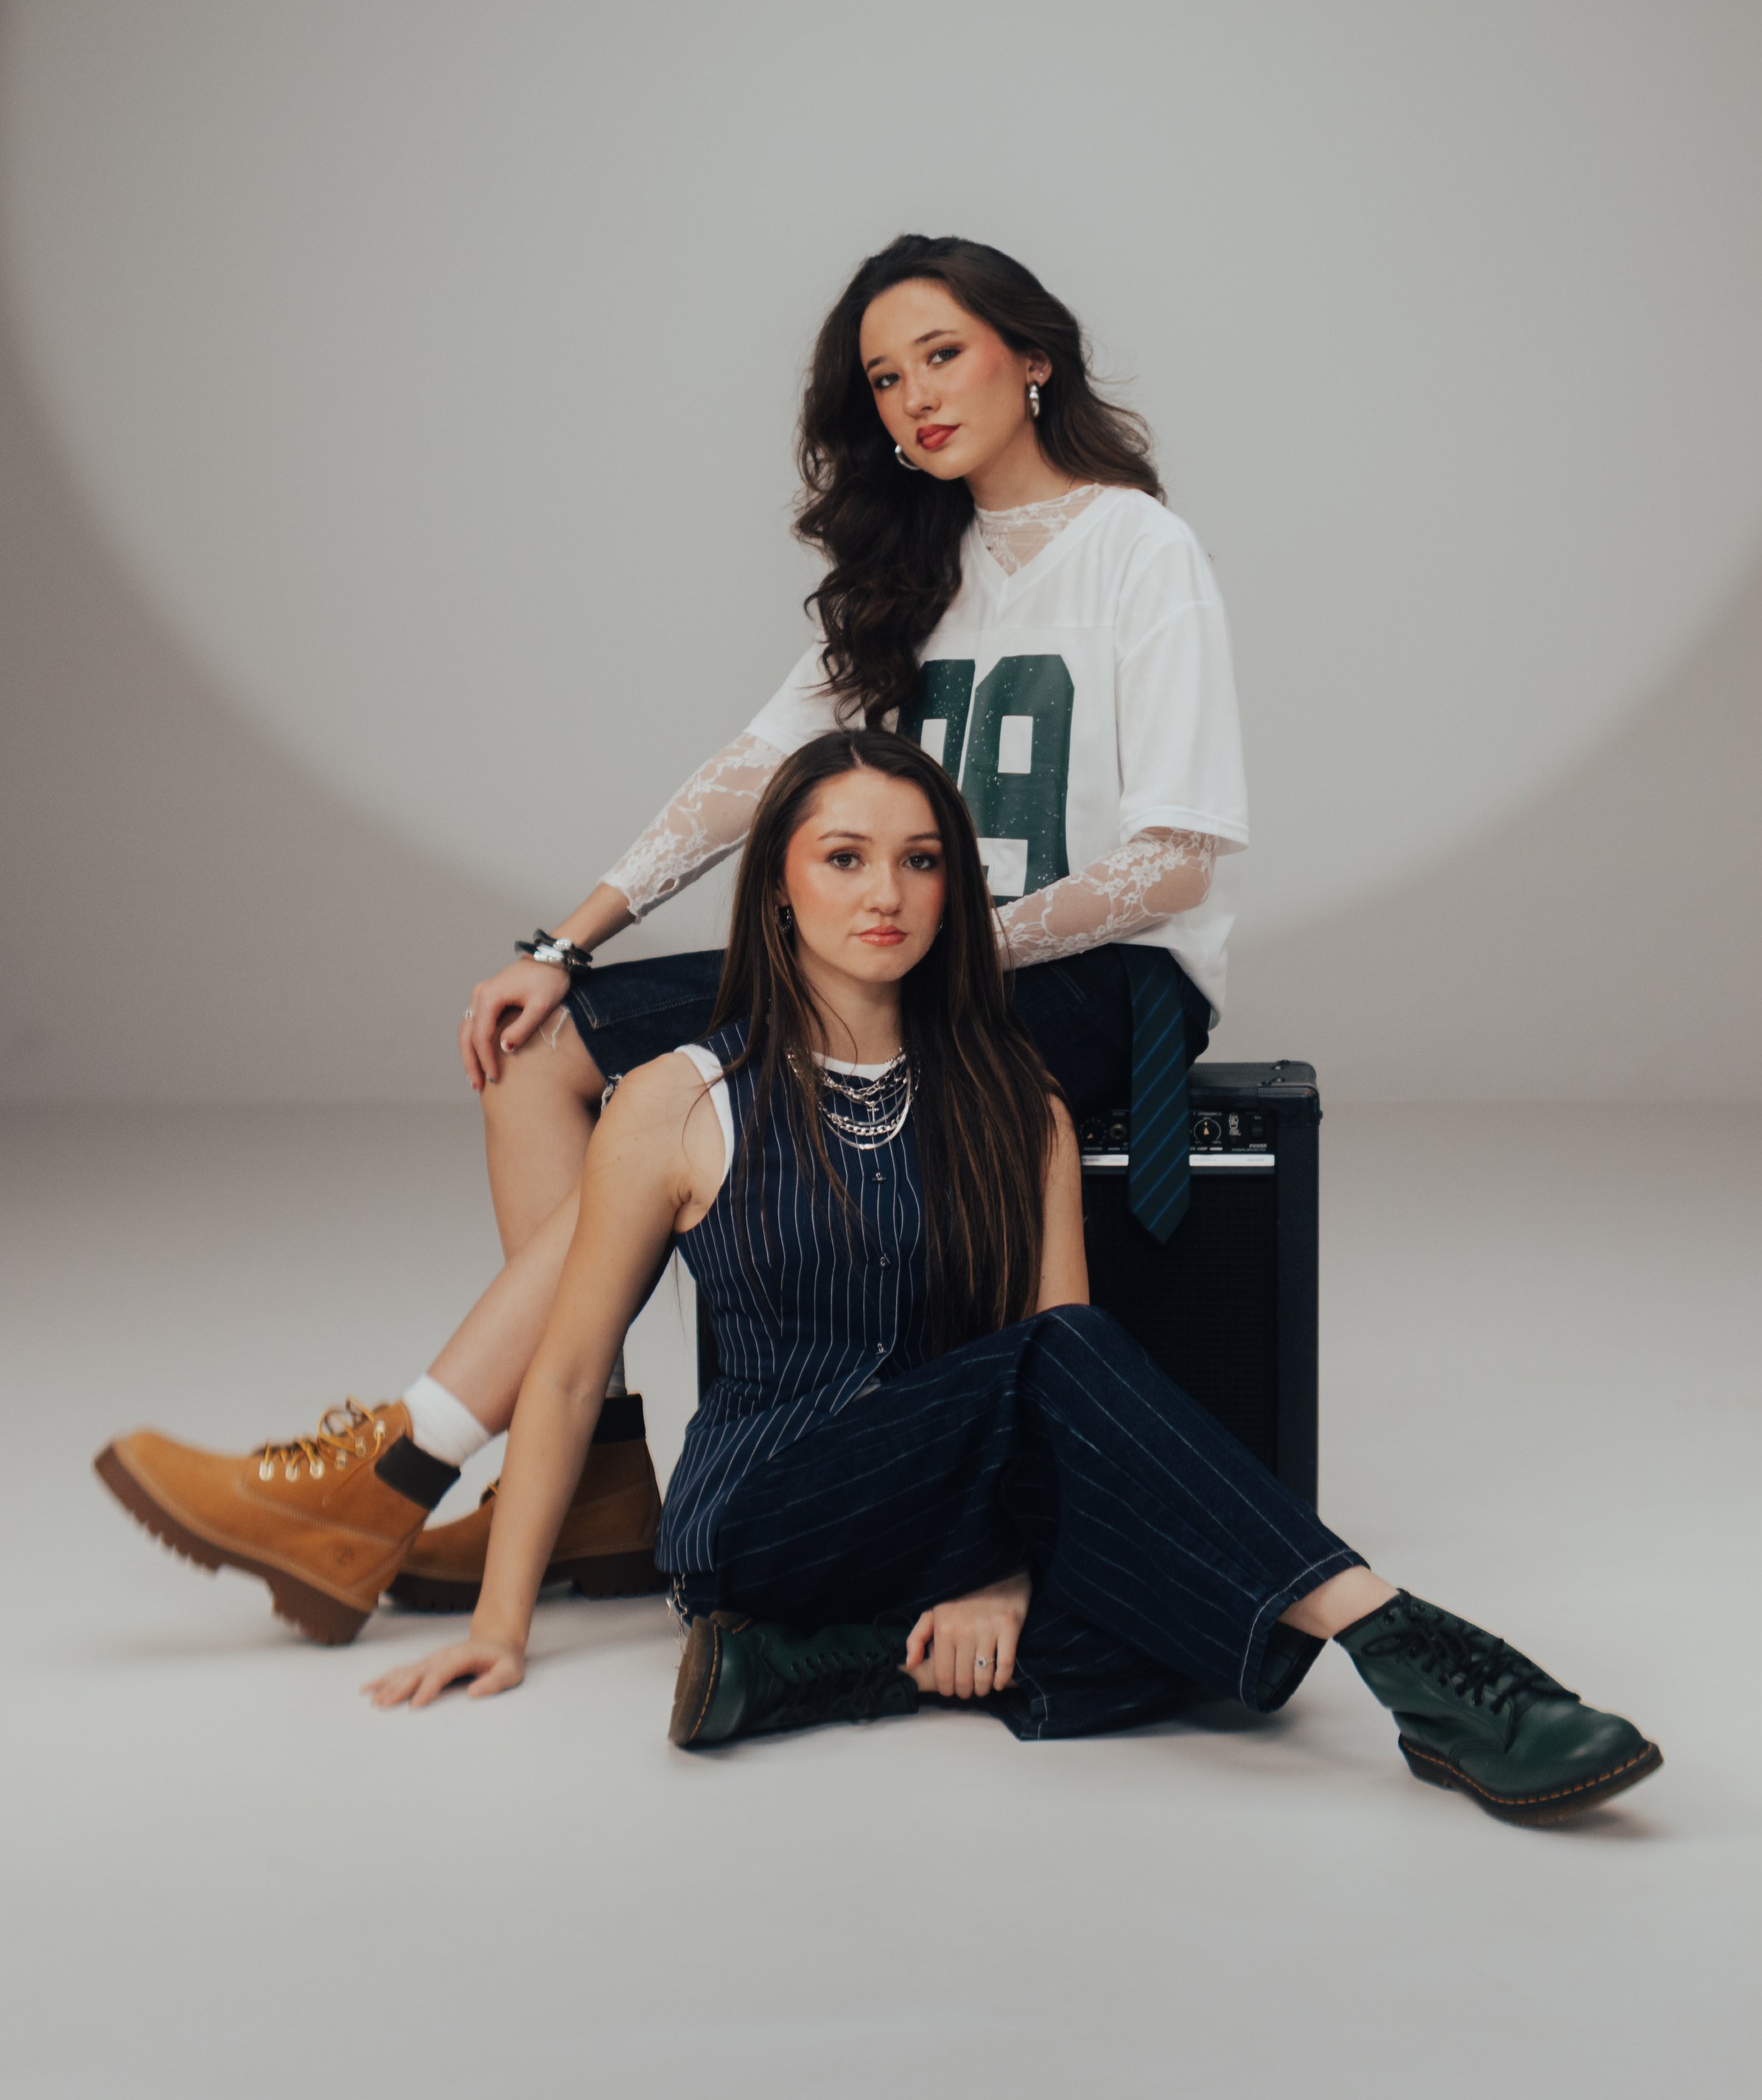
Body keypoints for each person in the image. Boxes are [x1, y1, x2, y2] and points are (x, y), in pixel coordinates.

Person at [97, 236, 1250, 1638]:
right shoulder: (916, 565)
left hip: (1091, 984)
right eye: (886, 379)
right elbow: (755, 769)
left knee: (709, 1092)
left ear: (1034, 356)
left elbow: (1178, 857)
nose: (916, 398)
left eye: (943, 355)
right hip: (899, 958)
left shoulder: (1141, 549)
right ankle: (590, 1471)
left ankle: (392, 1468)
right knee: (540, 1048)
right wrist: (566, 942)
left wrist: (958, 947)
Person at [359, 730, 1661, 1827]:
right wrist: (501, 1625)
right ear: (778, 891)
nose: (887, 891)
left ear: (955, 892)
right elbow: (570, 1371)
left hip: (943, 1515)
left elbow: (1054, 1381)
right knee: (1096, 1403)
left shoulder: (1018, 1099)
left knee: (1198, 1620)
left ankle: (841, 1667)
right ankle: (1420, 1650)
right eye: (845, 857)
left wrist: (1001, 1578)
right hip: (766, 1517)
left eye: (922, 860)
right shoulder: (677, 1100)